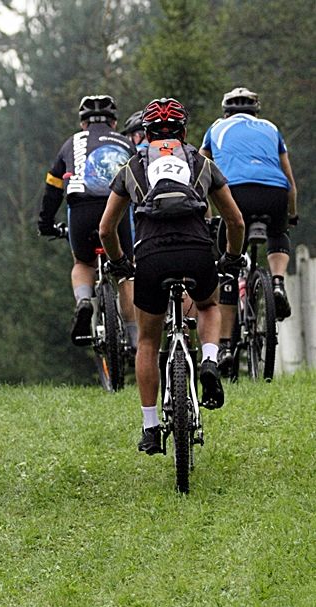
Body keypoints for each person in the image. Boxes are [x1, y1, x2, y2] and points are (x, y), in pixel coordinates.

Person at [99, 97, 245, 455]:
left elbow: (106, 229)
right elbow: (236, 221)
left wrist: (120, 263)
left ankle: (150, 427)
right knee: (208, 306)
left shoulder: (132, 166)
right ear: (184, 131)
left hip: (150, 256)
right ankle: (209, 359)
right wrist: (230, 257)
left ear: (146, 133)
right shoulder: (201, 163)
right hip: (197, 251)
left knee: (148, 340)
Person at [200, 87, 298, 374]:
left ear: (225, 111)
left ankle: (225, 346)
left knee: (228, 268)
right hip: (274, 193)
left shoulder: (216, 128)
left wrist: (205, 214)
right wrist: (291, 214)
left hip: (236, 193)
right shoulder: (271, 128)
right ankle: (277, 282)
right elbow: (289, 179)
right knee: (278, 233)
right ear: (256, 110)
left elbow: (200, 171)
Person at [37, 95, 137, 351]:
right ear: (114, 122)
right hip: (116, 207)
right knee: (126, 272)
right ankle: (135, 337)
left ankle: (84, 300)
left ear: (83, 124)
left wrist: (45, 223)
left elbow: (52, 189)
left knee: (83, 263)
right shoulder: (126, 143)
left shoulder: (71, 143)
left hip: (80, 207)